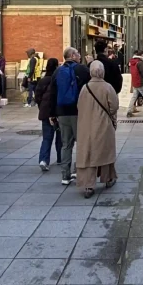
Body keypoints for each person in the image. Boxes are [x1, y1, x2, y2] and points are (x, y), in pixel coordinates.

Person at [76, 60, 119, 198]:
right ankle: (108, 178)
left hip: (86, 125)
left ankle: (88, 185)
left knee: (88, 153)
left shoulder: (85, 88)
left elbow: (79, 106)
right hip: (103, 124)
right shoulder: (108, 87)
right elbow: (114, 107)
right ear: (103, 72)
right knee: (105, 151)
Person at [53, 47, 91, 186]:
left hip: (62, 112)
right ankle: (78, 170)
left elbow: (53, 92)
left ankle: (65, 176)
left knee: (66, 144)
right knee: (81, 142)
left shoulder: (58, 71)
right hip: (78, 111)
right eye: (78, 54)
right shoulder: (82, 69)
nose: (80, 56)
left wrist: (53, 113)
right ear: (73, 55)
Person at [35, 57, 61, 171]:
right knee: (60, 137)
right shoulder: (58, 80)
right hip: (58, 112)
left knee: (46, 138)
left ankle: (44, 160)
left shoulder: (43, 80)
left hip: (45, 112)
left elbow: (37, 96)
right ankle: (60, 158)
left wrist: (42, 107)